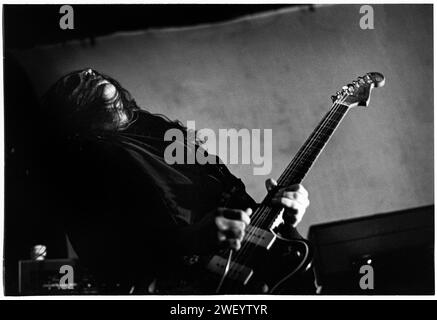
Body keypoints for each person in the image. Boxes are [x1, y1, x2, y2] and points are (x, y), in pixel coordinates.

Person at [40, 68, 313, 294]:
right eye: (74, 81)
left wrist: (282, 217)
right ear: (67, 117)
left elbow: (236, 203)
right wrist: (189, 240)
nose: (89, 72)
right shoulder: (80, 166)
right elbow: (106, 261)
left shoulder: (158, 132)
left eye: (90, 72)